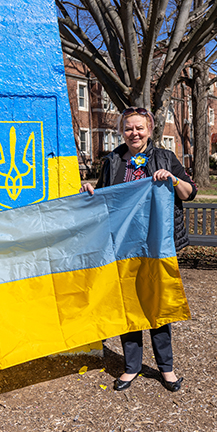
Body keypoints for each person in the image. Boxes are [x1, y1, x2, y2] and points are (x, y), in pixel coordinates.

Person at [80, 107, 196, 393]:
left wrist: (172, 178)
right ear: (122, 131)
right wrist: (91, 190)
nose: (134, 133)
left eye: (139, 128)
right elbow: (105, 198)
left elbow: (189, 192)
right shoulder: (113, 161)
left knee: (157, 302)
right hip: (123, 246)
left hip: (156, 244)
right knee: (128, 304)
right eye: (128, 128)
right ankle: (131, 367)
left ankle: (166, 368)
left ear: (150, 130)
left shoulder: (165, 157)